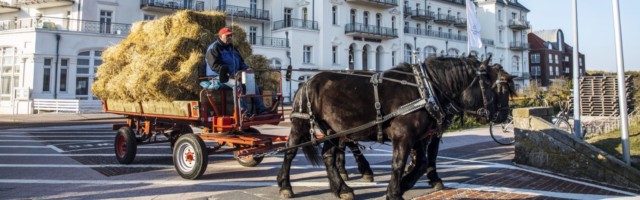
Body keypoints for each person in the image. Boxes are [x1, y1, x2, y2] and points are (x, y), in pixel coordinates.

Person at [200, 27, 266, 120]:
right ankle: (243, 112)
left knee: (251, 81)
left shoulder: (232, 48)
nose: (230, 37)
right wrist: (230, 74)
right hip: (218, 77)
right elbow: (214, 66)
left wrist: (247, 68)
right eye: (227, 35)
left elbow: (241, 63)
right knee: (237, 84)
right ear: (220, 36)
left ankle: (261, 110)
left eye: (231, 35)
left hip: (234, 75)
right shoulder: (214, 48)